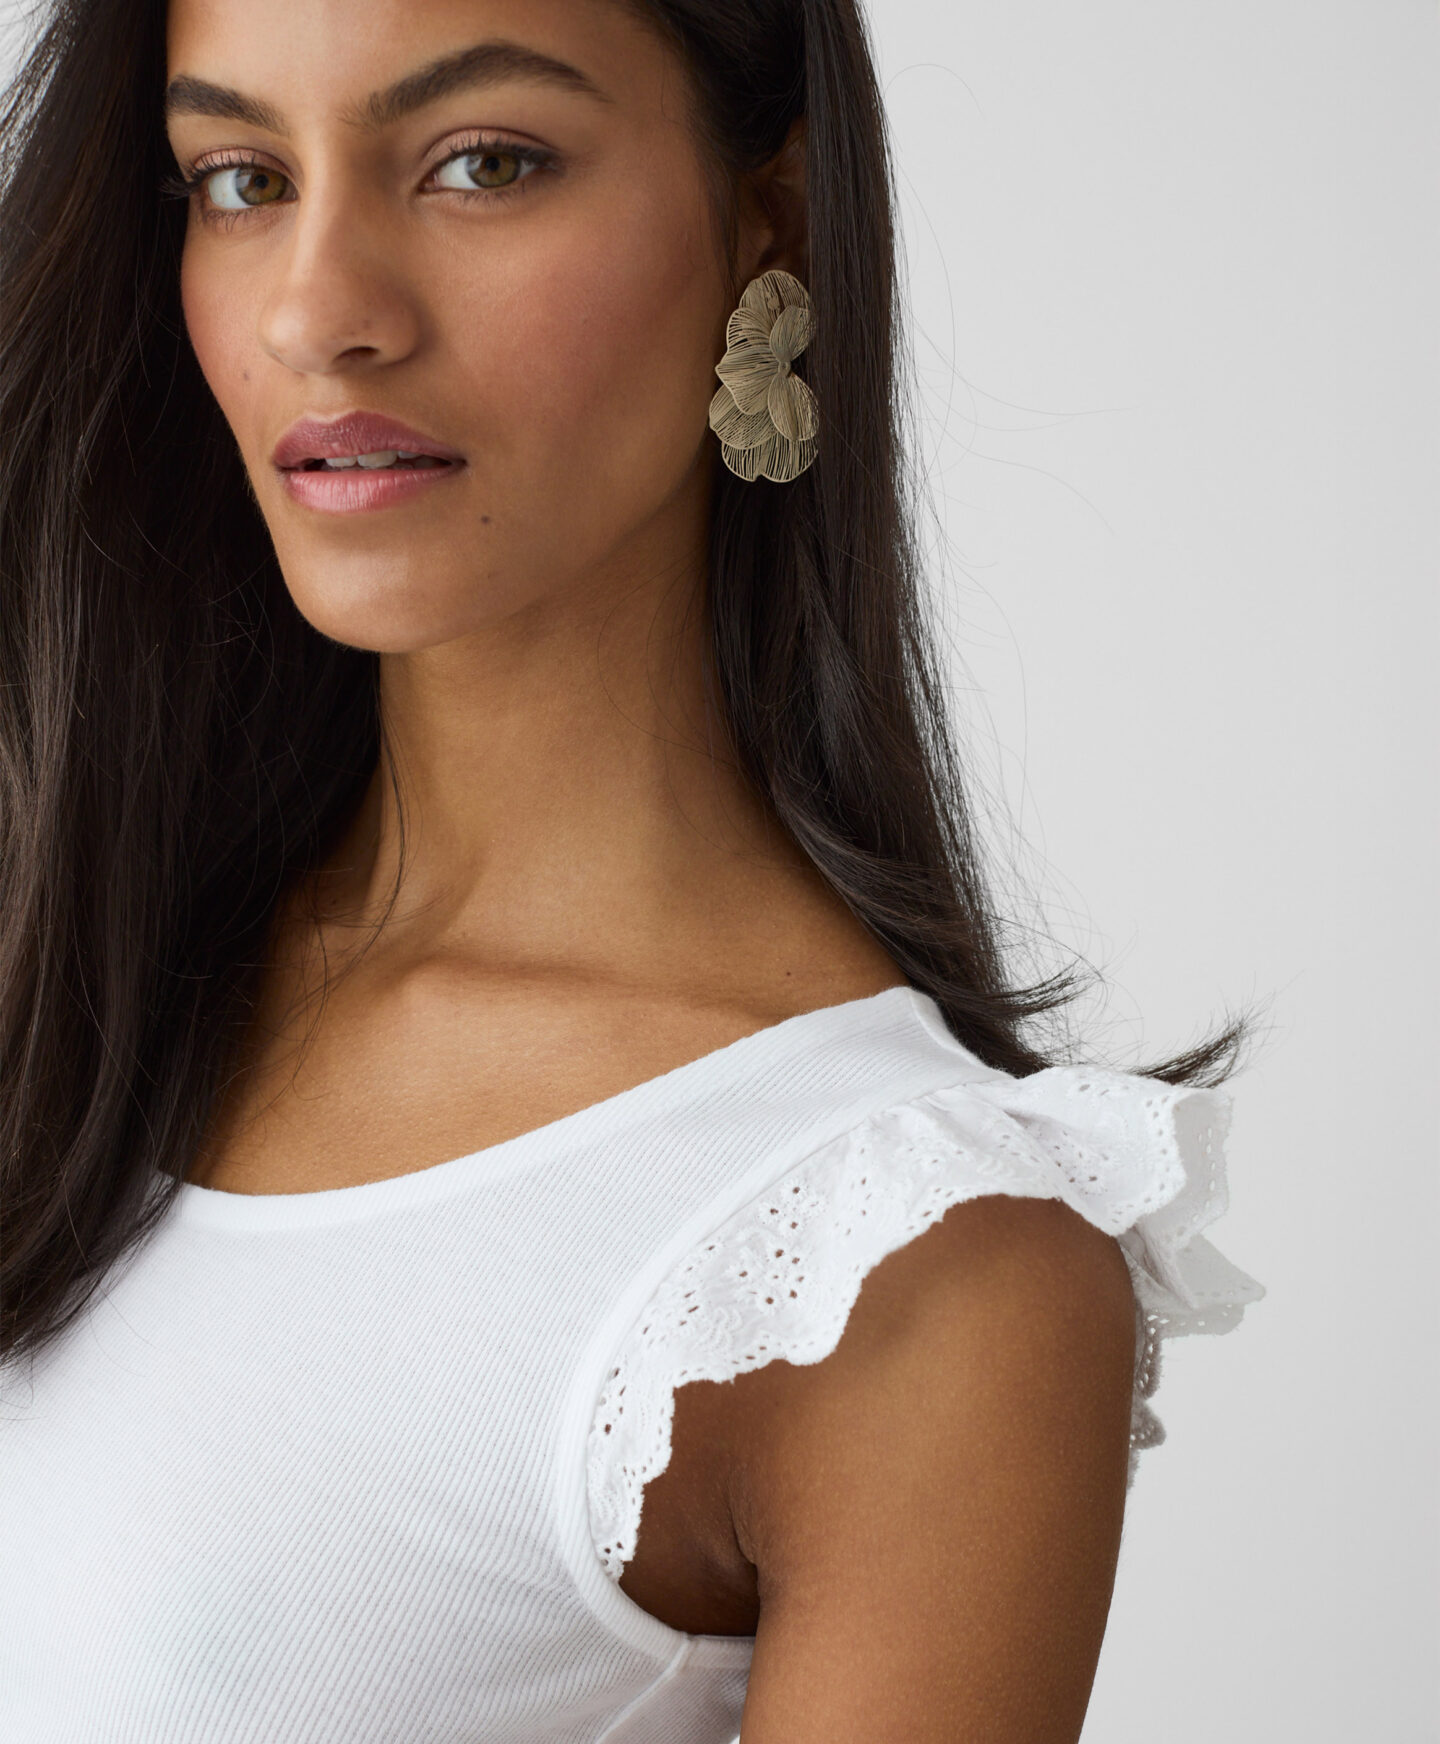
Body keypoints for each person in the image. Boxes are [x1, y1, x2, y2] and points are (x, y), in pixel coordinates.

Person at [0, 0, 1265, 1738]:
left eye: (484, 163)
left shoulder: (894, 1266)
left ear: (772, 223)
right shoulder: (68, 954)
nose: (316, 311)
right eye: (240, 178)